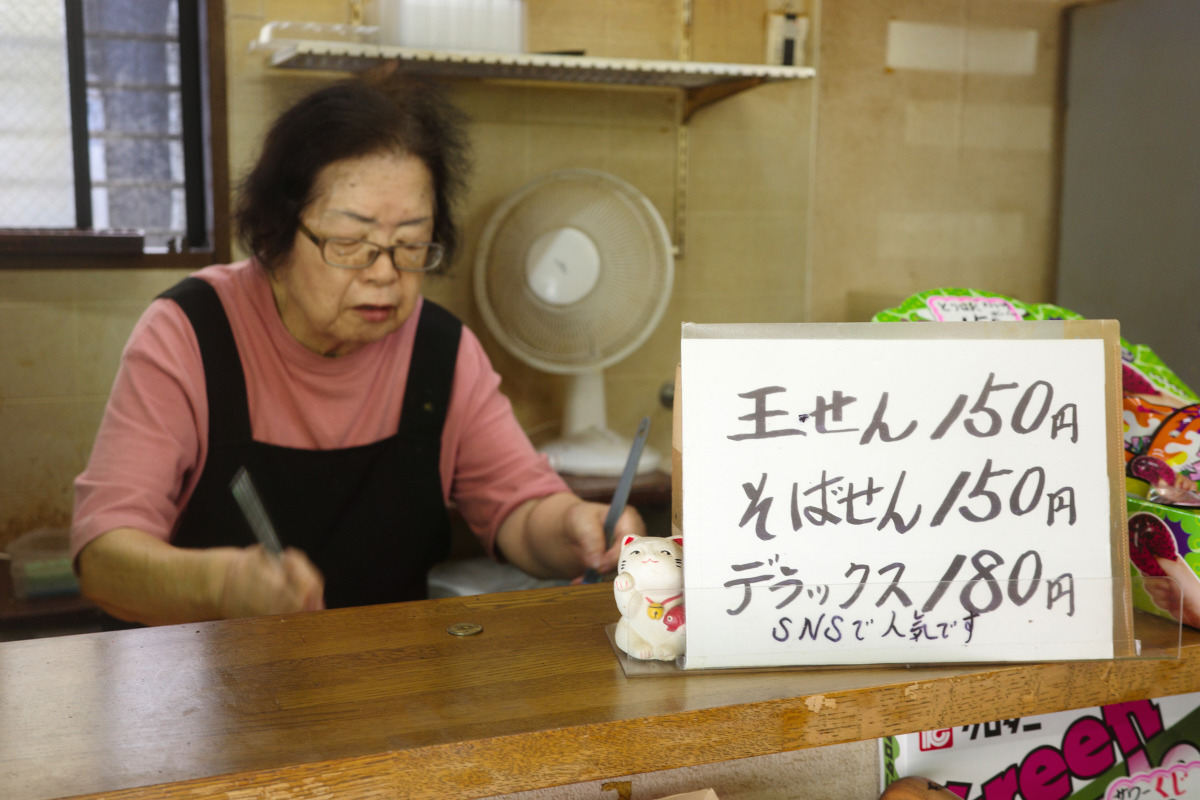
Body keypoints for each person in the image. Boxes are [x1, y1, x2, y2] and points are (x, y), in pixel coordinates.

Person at [70, 75, 644, 627]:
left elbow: (519, 510)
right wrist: (219, 587)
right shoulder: (189, 335)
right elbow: (103, 560)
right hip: (196, 700)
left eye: (410, 245)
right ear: (275, 231)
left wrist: (573, 526)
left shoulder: (439, 351)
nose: (384, 275)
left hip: (384, 697)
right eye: (350, 244)